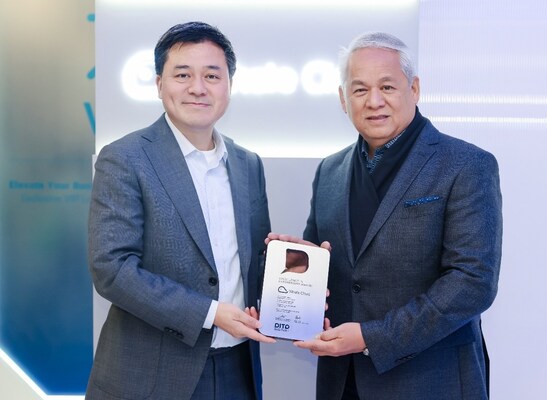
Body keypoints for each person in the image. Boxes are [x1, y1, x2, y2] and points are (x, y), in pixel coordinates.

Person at [271, 31, 502, 399]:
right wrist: (296, 263)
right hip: (341, 381)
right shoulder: (330, 171)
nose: (374, 101)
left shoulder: (466, 165)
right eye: (360, 90)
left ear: (414, 89)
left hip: (429, 380)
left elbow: (472, 283)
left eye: (387, 87)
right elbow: (327, 266)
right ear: (343, 99)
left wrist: (371, 337)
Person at [86, 21, 275, 400]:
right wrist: (209, 312)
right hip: (150, 375)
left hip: (238, 368)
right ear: (160, 84)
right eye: (183, 74)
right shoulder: (125, 158)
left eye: (212, 75)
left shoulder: (247, 163)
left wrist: (292, 269)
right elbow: (112, 269)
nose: (198, 88)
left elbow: (251, 261)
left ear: (229, 85)